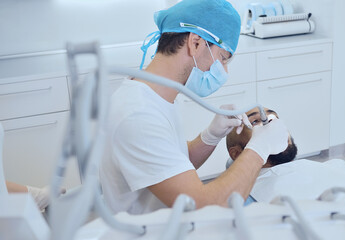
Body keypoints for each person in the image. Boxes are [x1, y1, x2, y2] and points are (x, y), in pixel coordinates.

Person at [99, 0, 289, 215]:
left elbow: (171, 164)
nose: (223, 71)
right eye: (223, 58)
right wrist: (259, 149)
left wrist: (210, 136)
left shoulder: (156, 96)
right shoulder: (138, 114)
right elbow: (204, 206)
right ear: (196, 43)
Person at [225, 107, 345, 208]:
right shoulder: (244, 201)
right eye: (256, 121)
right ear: (237, 154)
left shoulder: (338, 165)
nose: (273, 126)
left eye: (274, 119)